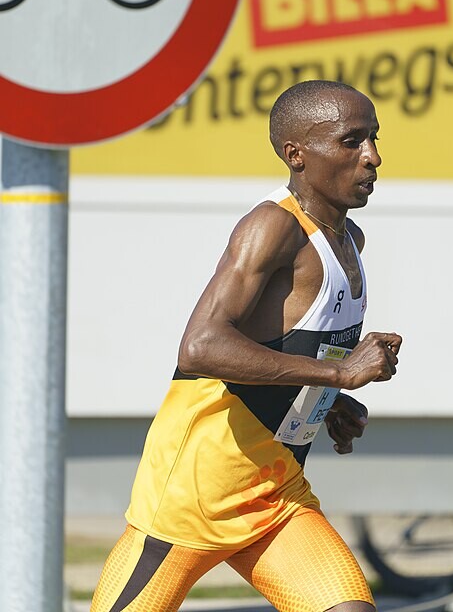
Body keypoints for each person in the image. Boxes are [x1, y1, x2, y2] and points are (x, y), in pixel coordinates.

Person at [91, 80, 402, 612]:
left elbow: (284, 349)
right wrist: (340, 374)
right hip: (193, 500)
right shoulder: (273, 226)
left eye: (374, 138)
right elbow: (201, 346)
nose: (372, 157)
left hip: (275, 497)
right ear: (296, 154)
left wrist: (328, 401)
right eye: (351, 141)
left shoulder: (351, 241)